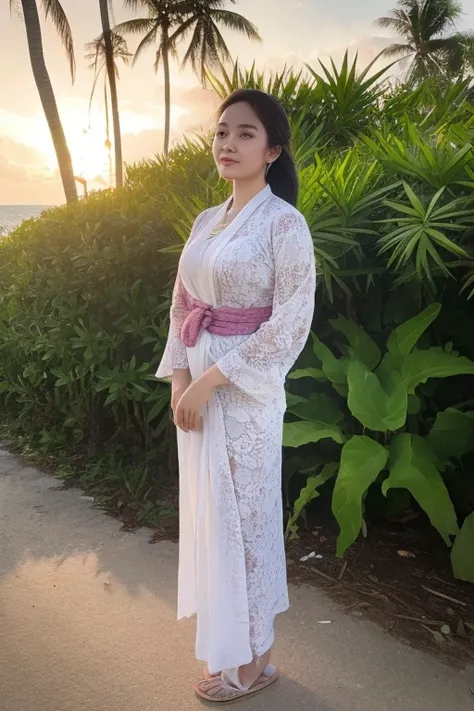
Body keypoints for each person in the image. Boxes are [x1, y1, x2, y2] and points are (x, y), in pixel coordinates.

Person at [155, 88, 316, 703]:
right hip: (195, 388)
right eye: (222, 132)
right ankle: (229, 647)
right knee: (213, 516)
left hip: (242, 394)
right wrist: (178, 379)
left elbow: (290, 321)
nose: (228, 143)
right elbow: (182, 307)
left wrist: (209, 379)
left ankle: (255, 661)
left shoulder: (284, 224)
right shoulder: (205, 221)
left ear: (272, 150)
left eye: (245, 134)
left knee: (246, 517)